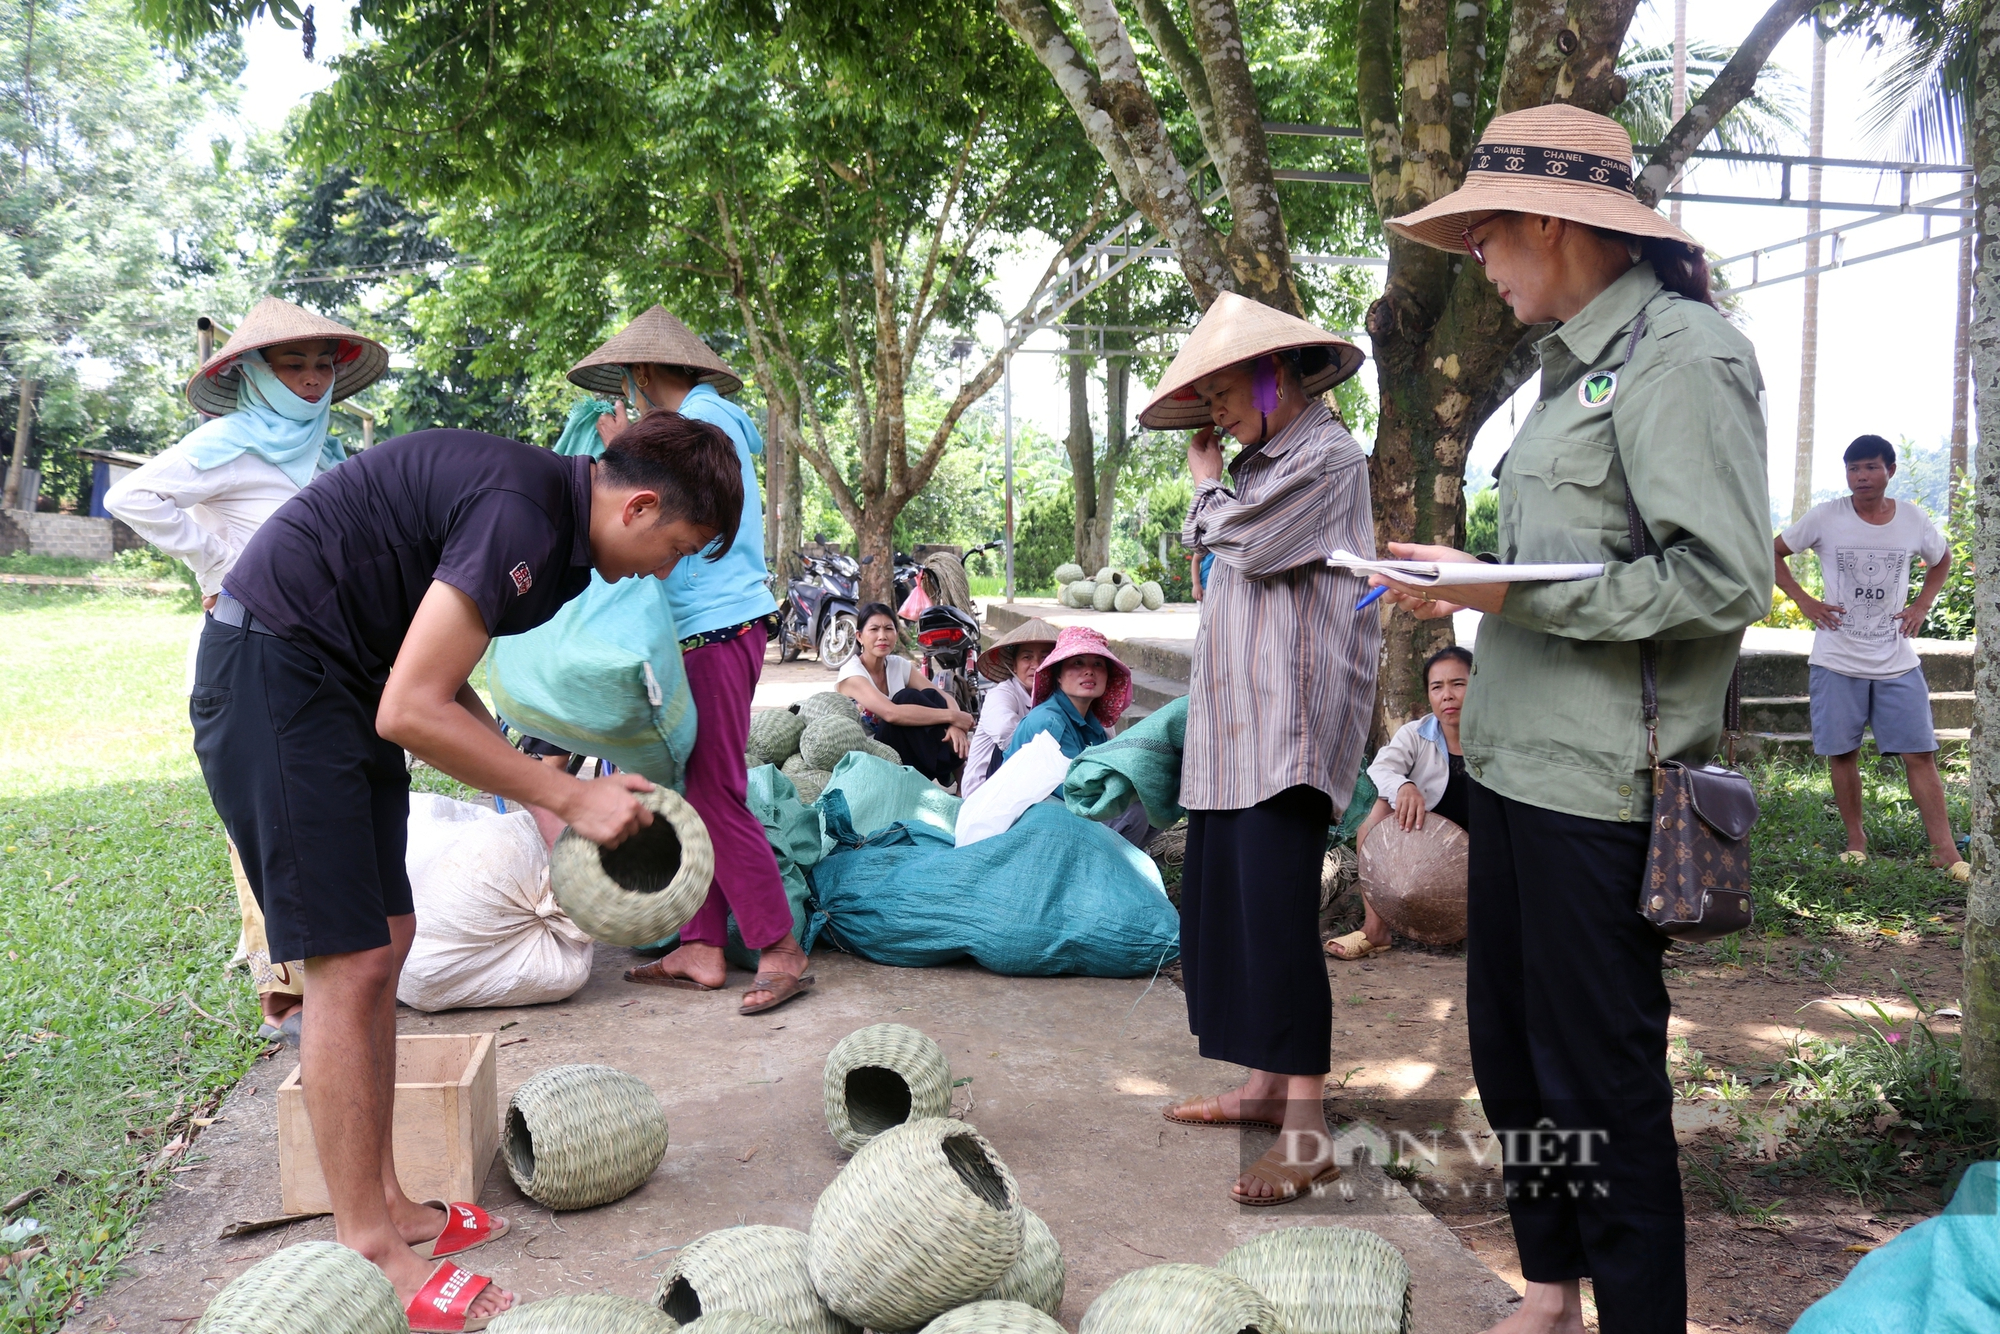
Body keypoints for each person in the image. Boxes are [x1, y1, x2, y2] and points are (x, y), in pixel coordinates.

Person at [192, 408, 743, 1330]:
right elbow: (414, 708)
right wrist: (572, 800)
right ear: (641, 506)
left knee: (389, 941)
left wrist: (539, 799)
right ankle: (366, 1241)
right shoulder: (525, 512)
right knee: (348, 960)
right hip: (276, 678)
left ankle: (393, 1204)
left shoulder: (556, 535)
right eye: (679, 547)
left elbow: (439, 682)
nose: (668, 571)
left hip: (338, 683)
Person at [1375, 105, 1772, 1334]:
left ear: (1552, 223)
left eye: (1487, 235)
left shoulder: (1681, 354)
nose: (1480, 266)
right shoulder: (1570, 369)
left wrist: (1494, 591)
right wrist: (1482, 576)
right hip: (1513, 769)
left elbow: (1718, 577)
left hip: (1601, 787)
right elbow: (1576, 560)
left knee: (1601, 1078)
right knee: (1509, 1051)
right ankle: (1549, 1285)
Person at [1137, 290, 1377, 1208]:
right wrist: (1216, 480)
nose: (1215, 412)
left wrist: (1205, 487)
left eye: (1225, 390)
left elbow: (1247, 540)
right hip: (1236, 727)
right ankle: (1264, 1087)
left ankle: (1308, 1125)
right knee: (1229, 908)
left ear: (1275, 374)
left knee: (1277, 920)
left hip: (1291, 725)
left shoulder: (1326, 455)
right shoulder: (1255, 463)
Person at [106, 298, 390, 1044]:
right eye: (291, 364)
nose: (309, 378)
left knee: (318, 818)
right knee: (265, 827)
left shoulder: (322, 451)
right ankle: (284, 993)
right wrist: (218, 560)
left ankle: (325, 983)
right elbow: (131, 495)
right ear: (252, 375)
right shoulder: (229, 442)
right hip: (250, 652)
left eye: (322, 363)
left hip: (323, 655)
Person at [569, 309, 810, 1016]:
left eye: (632, 386)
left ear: (644, 375)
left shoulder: (710, 420)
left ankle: (779, 947)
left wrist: (627, 446)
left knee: (714, 791)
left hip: (718, 628)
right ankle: (702, 946)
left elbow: (684, 505)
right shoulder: (707, 417)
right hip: (690, 632)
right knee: (679, 788)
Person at [1774, 435, 1966, 878]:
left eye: (1871, 468)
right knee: (1843, 753)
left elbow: (1942, 560)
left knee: (1921, 754)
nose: (1861, 477)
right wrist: (1803, 600)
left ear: (1890, 471)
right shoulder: (1826, 516)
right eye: (1854, 469)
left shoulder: (1913, 519)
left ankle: (1947, 852)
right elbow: (1774, 551)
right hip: (1836, 659)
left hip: (1896, 660)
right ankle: (1856, 843)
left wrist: (1921, 606)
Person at [1328, 645, 1473, 961]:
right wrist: (1404, 785)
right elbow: (1380, 770)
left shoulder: (1498, 738)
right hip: (1423, 845)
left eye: (1458, 684)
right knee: (1376, 810)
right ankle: (1375, 929)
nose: (1447, 695)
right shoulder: (1416, 734)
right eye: (1437, 687)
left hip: (1481, 850)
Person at [1001, 624, 1151, 847]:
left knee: (1155, 804)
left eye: (1098, 664)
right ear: (1058, 676)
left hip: (1061, 817)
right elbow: (1078, 794)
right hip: (1030, 829)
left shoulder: (1092, 726)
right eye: (1077, 662)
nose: (1089, 671)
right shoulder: (1049, 722)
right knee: (1138, 810)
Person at [835, 603, 974, 782]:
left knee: (931, 696)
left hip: (904, 749)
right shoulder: (851, 673)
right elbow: (891, 713)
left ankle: (957, 770)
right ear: (860, 637)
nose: (882, 636)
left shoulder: (897, 664)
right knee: (905, 698)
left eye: (888, 629)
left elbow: (943, 696)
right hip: (870, 755)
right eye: (874, 629)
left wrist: (956, 724)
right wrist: (952, 717)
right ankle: (955, 767)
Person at [962, 617, 1061, 797]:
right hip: (985, 793)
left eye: (1045, 657)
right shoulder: (1001, 694)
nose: (1036, 665)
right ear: (1014, 666)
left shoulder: (1058, 698)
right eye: (1027, 657)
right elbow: (1004, 732)